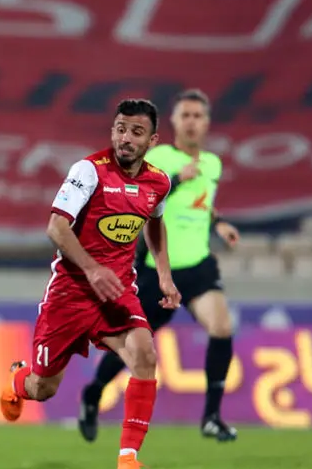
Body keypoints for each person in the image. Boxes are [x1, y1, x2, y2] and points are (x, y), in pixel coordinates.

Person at [0, 100, 180, 469]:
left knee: (145, 355)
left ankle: (127, 460)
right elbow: (57, 227)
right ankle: (18, 381)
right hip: (70, 293)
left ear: (152, 139)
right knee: (44, 388)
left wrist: (164, 275)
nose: (125, 138)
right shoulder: (88, 171)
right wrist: (92, 269)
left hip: (116, 291)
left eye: (135, 132)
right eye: (119, 129)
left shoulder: (159, 182)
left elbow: (155, 224)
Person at [79, 89, 241, 443]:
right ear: (174, 122)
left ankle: (212, 416)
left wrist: (220, 223)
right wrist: (179, 178)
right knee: (134, 348)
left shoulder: (212, 164)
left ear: (207, 123)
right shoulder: (159, 158)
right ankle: (93, 394)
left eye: (198, 116)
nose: (192, 122)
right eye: (186, 116)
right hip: (156, 268)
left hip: (198, 265)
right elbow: (140, 197)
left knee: (222, 327)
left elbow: (203, 203)